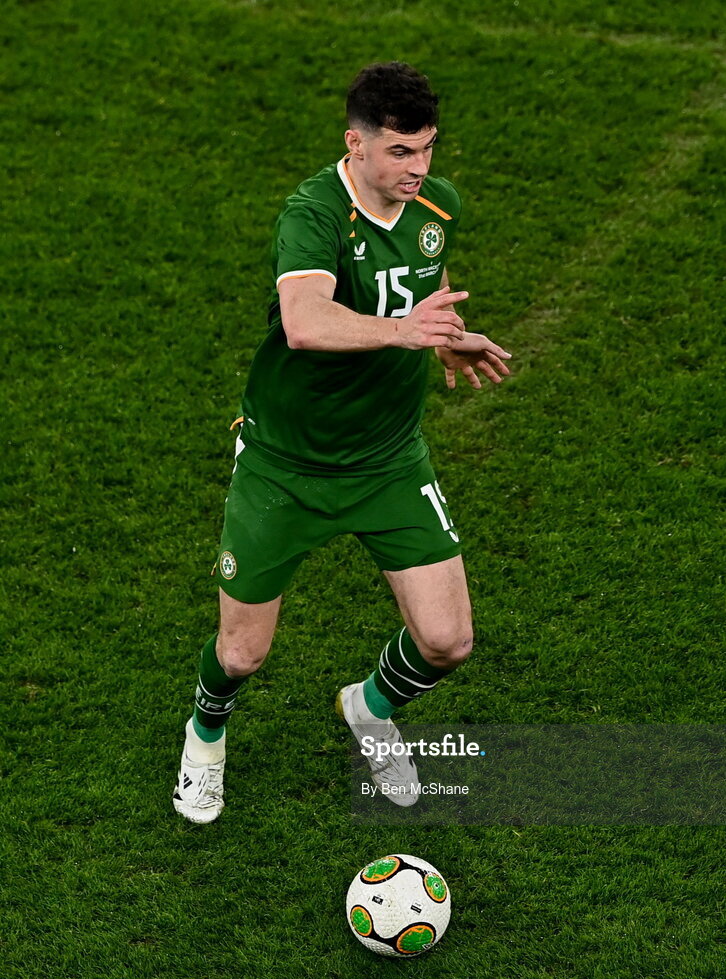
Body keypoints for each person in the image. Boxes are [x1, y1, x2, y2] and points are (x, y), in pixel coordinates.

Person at [173, 61, 511, 823]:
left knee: (448, 641)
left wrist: (445, 336)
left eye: (428, 148)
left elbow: (425, 291)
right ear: (355, 145)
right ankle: (205, 735)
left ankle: (369, 708)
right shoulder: (314, 213)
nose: (418, 168)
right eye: (400, 151)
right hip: (285, 464)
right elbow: (304, 321)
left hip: (388, 459)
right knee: (241, 654)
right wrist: (405, 332)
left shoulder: (437, 206)